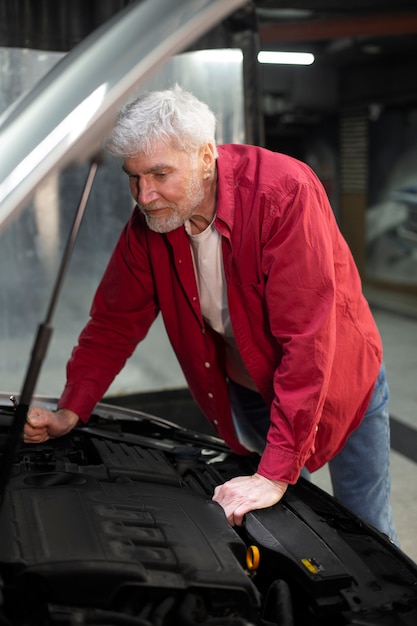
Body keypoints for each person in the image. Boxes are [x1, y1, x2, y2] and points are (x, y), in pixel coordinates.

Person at [24, 85, 397, 543]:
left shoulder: (283, 193)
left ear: (205, 156)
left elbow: (308, 341)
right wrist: (71, 410)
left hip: (341, 382)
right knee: (286, 529)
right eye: (133, 177)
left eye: (160, 174)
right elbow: (114, 323)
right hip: (253, 391)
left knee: (366, 533)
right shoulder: (153, 223)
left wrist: (275, 472)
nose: (144, 195)